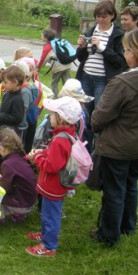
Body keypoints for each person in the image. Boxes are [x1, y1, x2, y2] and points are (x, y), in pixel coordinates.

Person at [90, 28, 138, 246]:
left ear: (136, 52)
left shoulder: (122, 83)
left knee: (114, 190)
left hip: (118, 146)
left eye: (126, 50)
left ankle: (108, 235)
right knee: (131, 184)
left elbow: (99, 119)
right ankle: (127, 226)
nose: (124, 54)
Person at [26, 96, 82, 257]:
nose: (49, 117)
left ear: (61, 118)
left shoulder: (59, 140)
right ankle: (45, 235)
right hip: (54, 185)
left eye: (52, 114)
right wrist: (42, 152)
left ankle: (49, 246)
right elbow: (56, 156)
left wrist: (37, 157)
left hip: (52, 185)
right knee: (47, 212)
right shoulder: (65, 135)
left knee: (51, 215)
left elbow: (51, 166)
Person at [76, 0, 125, 114]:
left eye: (104, 17)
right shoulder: (91, 31)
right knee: (85, 111)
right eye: (98, 16)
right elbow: (80, 58)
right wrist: (81, 47)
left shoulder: (118, 34)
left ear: (112, 16)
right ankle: (85, 131)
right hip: (86, 76)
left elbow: (120, 61)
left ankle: (97, 132)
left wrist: (101, 47)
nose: (100, 20)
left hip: (103, 79)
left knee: (99, 111)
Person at [0, 127, 37, 223]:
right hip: (28, 201)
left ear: (1, 148)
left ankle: (13, 214)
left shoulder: (7, 164)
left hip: (20, 204)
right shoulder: (19, 156)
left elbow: (5, 189)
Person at [37, 28, 72, 98]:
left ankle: (57, 99)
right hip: (67, 65)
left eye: (42, 35)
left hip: (58, 67)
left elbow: (43, 60)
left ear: (46, 37)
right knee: (67, 83)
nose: (41, 36)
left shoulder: (48, 46)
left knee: (54, 83)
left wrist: (37, 68)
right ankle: (69, 97)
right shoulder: (58, 42)